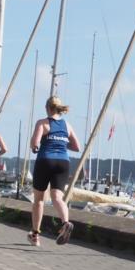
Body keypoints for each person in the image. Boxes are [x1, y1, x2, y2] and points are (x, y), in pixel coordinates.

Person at [28, 96, 81, 246]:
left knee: (39, 199)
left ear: (47, 108)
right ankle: (65, 223)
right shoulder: (67, 125)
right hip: (63, 162)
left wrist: (37, 145)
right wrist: (61, 142)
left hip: (45, 160)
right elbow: (77, 147)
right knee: (57, 197)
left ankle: (35, 235)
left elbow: (34, 144)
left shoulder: (42, 123)